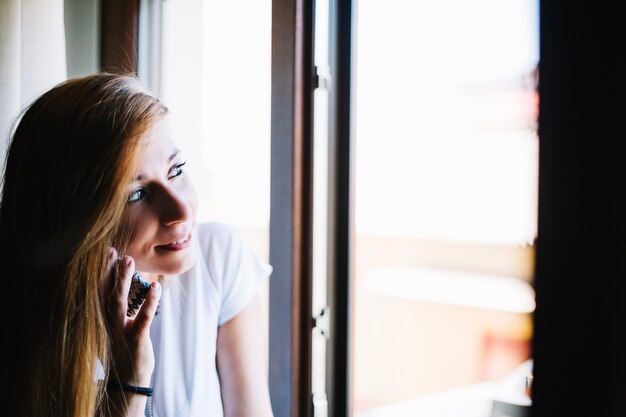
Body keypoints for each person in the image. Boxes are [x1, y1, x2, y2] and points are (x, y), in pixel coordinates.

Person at [0, 73, 274, 417]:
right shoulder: (34, 332)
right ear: (78, 221)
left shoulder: (218, 259)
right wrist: (130, 384)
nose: (180, 210)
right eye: (137, 194)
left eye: (176, 170)